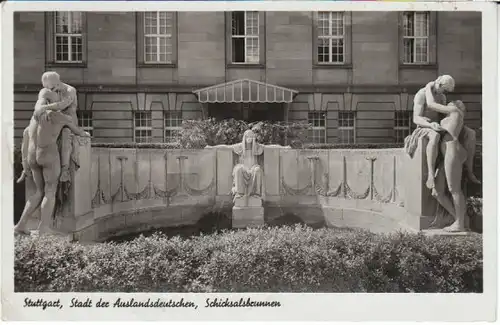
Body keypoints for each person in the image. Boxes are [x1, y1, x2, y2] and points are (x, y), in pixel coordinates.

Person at [14, 82, 90, 235]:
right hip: (49, 156)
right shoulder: (60, 117)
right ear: (52, 101)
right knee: (50, 192)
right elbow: (79, 132)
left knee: (38, 192)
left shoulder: (33, 120)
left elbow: (24, 141)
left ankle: (20, 225)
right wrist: (84, 133)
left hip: (32, 158)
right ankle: (44, 228)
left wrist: (25, 166)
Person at [404, 75, 480, 190]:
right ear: (439, 85)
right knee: (434, 136)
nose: (444, 93)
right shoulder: (422, 94)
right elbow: (416, 118)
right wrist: (430, 125)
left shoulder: (442, 97)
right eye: (444, 89)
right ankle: (430, 174)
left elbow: (442, 115)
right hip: (425, 126)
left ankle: (469, 170)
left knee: (470, 133)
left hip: (438, 125)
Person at [424, 81, 470, 232]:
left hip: (452, 150)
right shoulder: (451, 116)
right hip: (448, 153)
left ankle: (460, 224)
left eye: (455, 101)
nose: (450, 100)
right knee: (437, 191)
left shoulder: (454, 111)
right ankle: (460, 218)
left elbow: (430, 104)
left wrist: (428, 87)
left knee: (454, 189)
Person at [206, 129, 289, 201]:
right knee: (238, 169)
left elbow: (270, 147)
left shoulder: (257, 147)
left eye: (251, 136)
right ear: (244, 137)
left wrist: (283, 148)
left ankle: (256, 194)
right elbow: (226, 147)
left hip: (253, 168)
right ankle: (240, 193)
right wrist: (212, 147)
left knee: (257, 170)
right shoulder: (240, 147)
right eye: (247, 136)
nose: (249, 138)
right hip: (243, 168)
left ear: (253, 138)